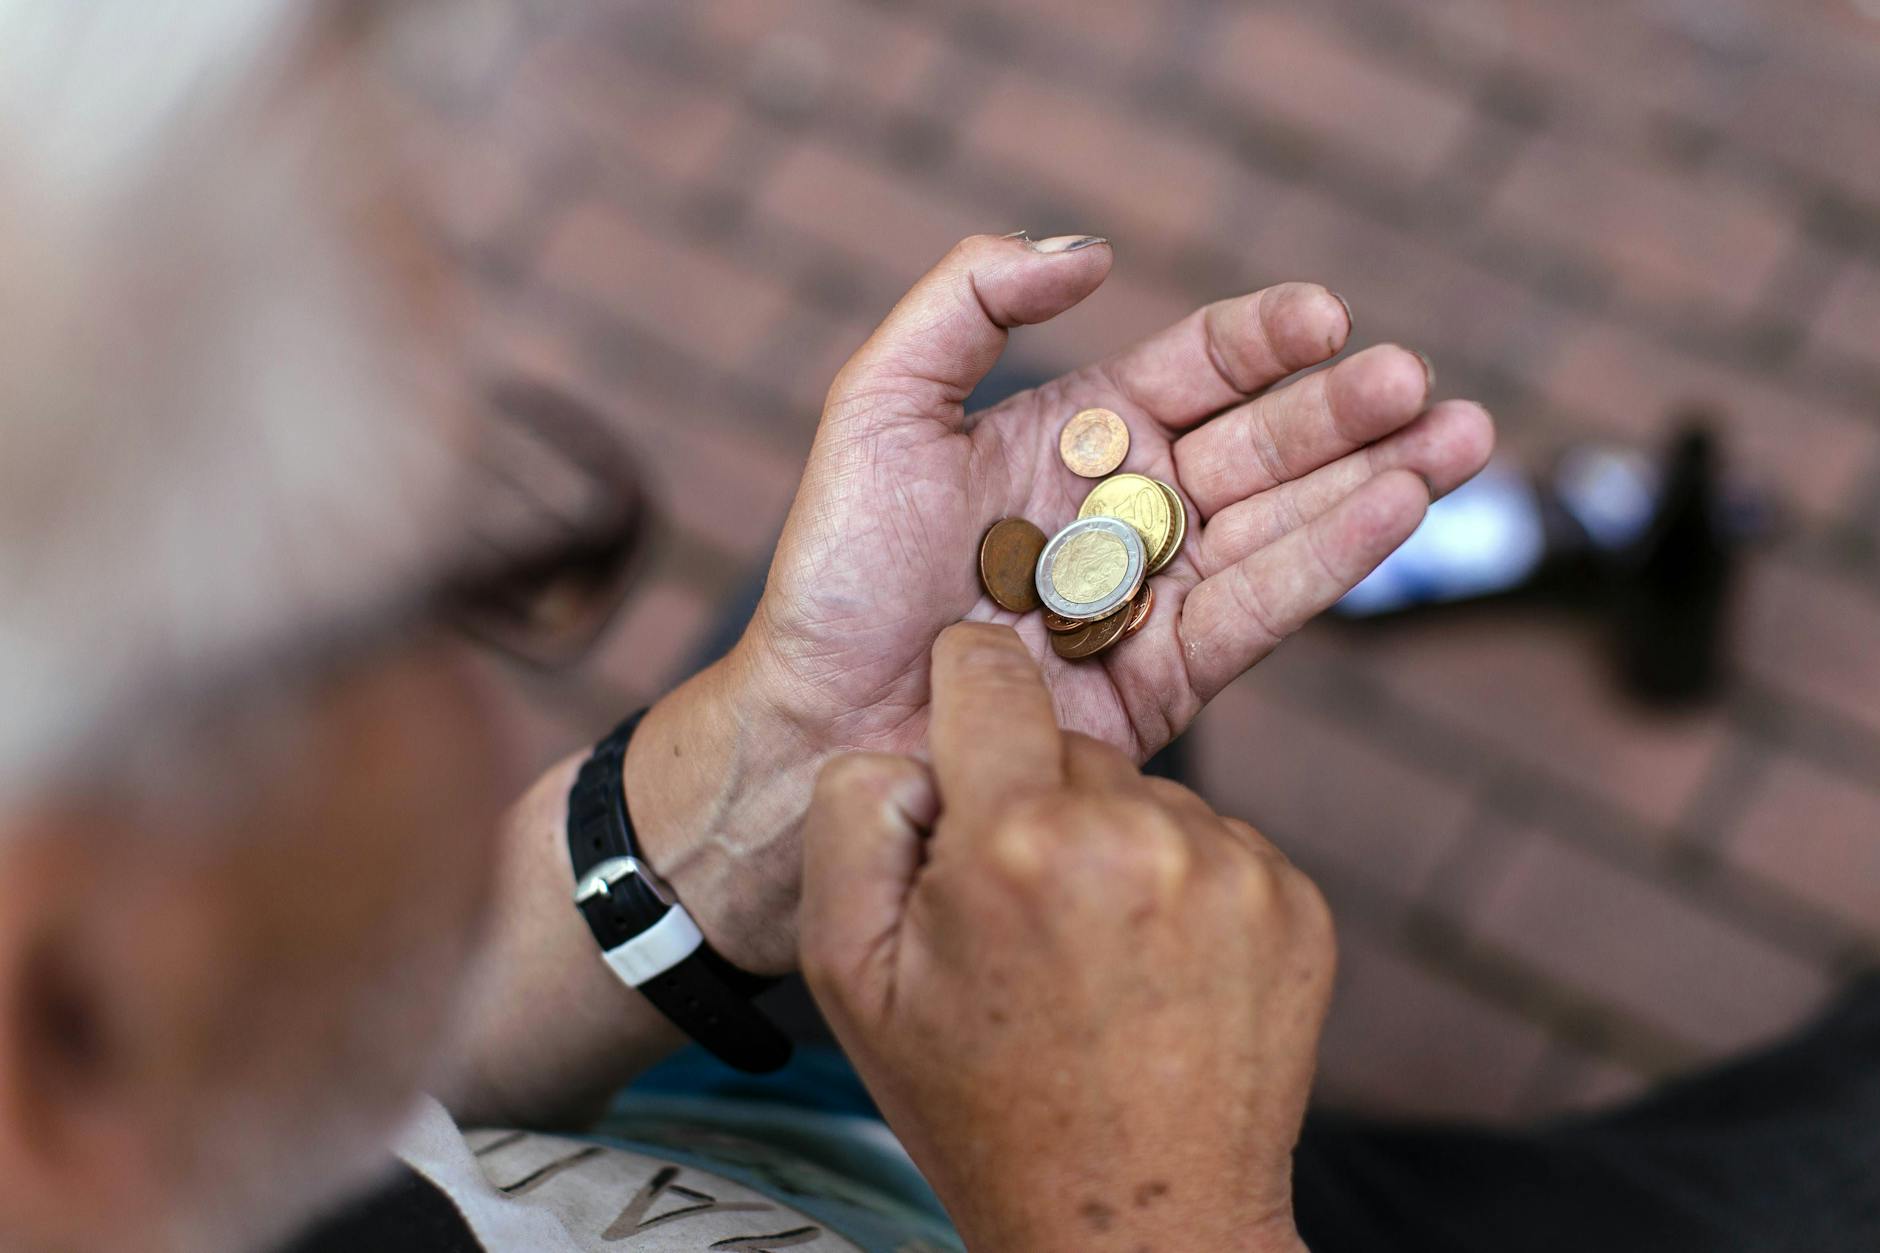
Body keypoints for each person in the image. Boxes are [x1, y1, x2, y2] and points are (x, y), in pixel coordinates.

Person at [8, 5, 1876, 1253]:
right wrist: (1149, 1197)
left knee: (1042, 426)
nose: (490, 707)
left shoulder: (154, 1116)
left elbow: (388, 1097)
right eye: (438, 577)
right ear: (75, 987)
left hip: (758, 1076)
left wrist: (753, 791)